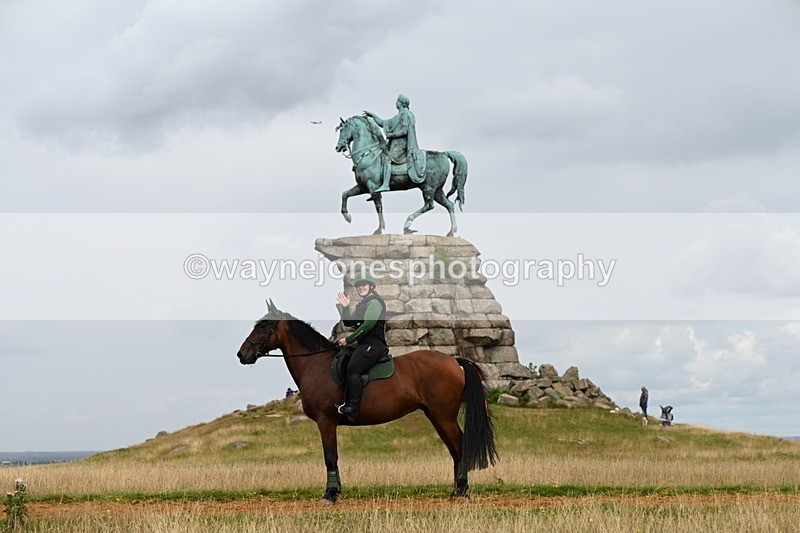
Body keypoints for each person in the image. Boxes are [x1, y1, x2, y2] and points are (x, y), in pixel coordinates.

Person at [335, 271, 388, 422]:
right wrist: (346, 307)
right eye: (358, 285)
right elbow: (349, 322)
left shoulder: (374, 302)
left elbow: (368, 325)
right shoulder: (362, 304)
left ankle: (352, 408)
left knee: (353, 368)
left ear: (371, 286)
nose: (361, 287)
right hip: (364, 344)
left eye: (363, 284)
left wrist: (349, 339)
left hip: (374, 345)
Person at [363, 94, 425, 191]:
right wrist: (373, 116)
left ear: (401, 103)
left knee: (386, 159)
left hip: (401, 146)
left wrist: (391, 135)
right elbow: (383, 123)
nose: (395, 103)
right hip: (394, 145)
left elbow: (405, 131)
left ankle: (386, 184)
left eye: (397, 101)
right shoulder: (398, 116)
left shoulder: (406, 115)